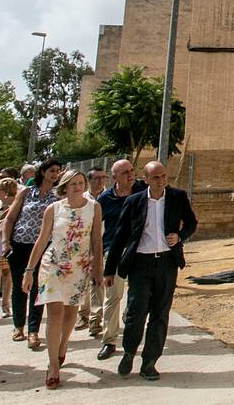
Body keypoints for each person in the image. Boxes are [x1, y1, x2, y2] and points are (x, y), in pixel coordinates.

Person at [104, 161, 196, 380]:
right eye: (155, 177)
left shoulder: (177, 197)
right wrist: (110, 271)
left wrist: (179, 236)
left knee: (160, 314)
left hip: (166, 263)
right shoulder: (134, 201)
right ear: (145, 179)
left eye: (164, 176)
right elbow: (120, 237)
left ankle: (149, 362)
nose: (161, 180)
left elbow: (192, 222)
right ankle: (129, 351)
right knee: (136, 312)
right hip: (140, 264)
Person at [22, 169, 102, 389]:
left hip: (79, 266)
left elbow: (96, 240)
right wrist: (29, 269)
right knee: (54, 311)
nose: (78, 187)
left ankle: (63, 345)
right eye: (73, 183)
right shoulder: (53, 209)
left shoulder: (93, 207)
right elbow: (41, 240)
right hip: (54, 265)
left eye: (81, 182)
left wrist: (97, 268)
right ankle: (53, 365)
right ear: (64, 186)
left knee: (70, 311)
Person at [0, 160, 61, 348]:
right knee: (19, 286)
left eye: (58, 171)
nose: (55, 174)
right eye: (52, 170)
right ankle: (19, 326)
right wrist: (5, 241)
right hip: (19, 245)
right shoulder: (26, 192)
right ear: (42, 172)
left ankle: (33, 331)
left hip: (43, 247)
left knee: (37, 288)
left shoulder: (57, 197)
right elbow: (10, 219)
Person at [95, 159, 145, 360]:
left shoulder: (143, 190)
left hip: (140, 251)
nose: (130, 175)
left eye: (132, 170)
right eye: (125, 172)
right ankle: (109, 341)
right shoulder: (105, 199)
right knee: (113, 296)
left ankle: (129, 319)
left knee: (138, 295)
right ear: (114, 177)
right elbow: (96, 229)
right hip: (114, 252)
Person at [74, 167, 109, 337]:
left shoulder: (109, 197)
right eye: (96, 178)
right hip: (82, 244)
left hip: (102, 243)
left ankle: (96, 318)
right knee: (83, 280)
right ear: (90, 181)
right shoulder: (82, 199)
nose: (100, 181)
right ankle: (83, 314)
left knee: (97, 280)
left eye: (103, 177)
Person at [0, 178, 18, 317]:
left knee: (7, 275)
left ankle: (6, 306)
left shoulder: (15, 205)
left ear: (6, 191)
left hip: (7, 243)